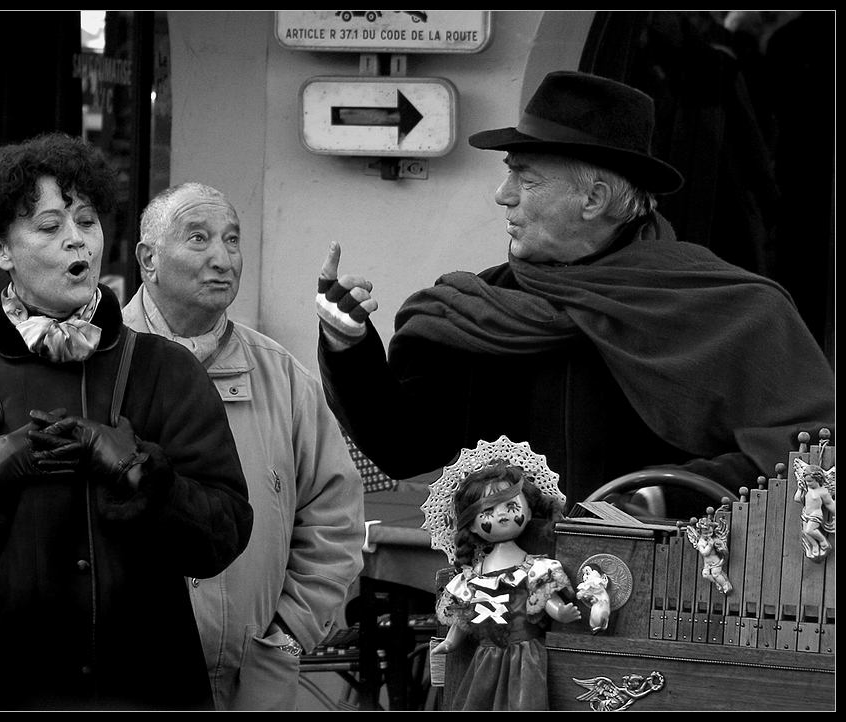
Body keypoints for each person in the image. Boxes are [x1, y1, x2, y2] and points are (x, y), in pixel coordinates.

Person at [315, 70, 836, 519]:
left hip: (674, 605)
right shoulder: (477, 308)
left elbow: (811, 449)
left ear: (594, 199)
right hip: (513, 601)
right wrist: (348, 347)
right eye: (508, 174)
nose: (503, 195)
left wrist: (663, 497)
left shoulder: (729, 308)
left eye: (527, 178)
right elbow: (404, 447)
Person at [0, 133, 253, 711]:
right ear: (1, 251)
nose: (77, 239)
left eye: (87, 220)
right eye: (49, 226)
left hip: (142, 691)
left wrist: (144, 478)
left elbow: (224, 535)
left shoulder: (164, 370)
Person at [123, 182, 365, 711]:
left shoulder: (278, 374)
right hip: (128, 678)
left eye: (232, 240)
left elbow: (334, 515)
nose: (222, 258)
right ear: (148, 259)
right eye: (198, 238)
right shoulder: (99, 367)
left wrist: (288, 630)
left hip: (251, 679)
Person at [430, 460, 580, 710]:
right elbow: (462, 619)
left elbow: (546, 599)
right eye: (488, 511)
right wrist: (450, 641)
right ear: (472, 525)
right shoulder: (470, 578)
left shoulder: (536, 569)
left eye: (511, 506)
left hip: (526, 658)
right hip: (486, 659)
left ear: (529, 512)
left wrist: (559, 611)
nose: (502, 515)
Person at [793, 461, 836, 561]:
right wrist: (799, 489)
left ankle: (824, 543)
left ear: (818, 479)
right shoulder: (807, 490)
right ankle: (815, 546)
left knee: (809, 530)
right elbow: (797, 499)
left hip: (815, 515)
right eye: (807, 481)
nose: (808, 484)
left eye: (810, 481)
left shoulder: (822, 491)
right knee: (806, 533)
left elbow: (830, 504)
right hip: (805, 514)